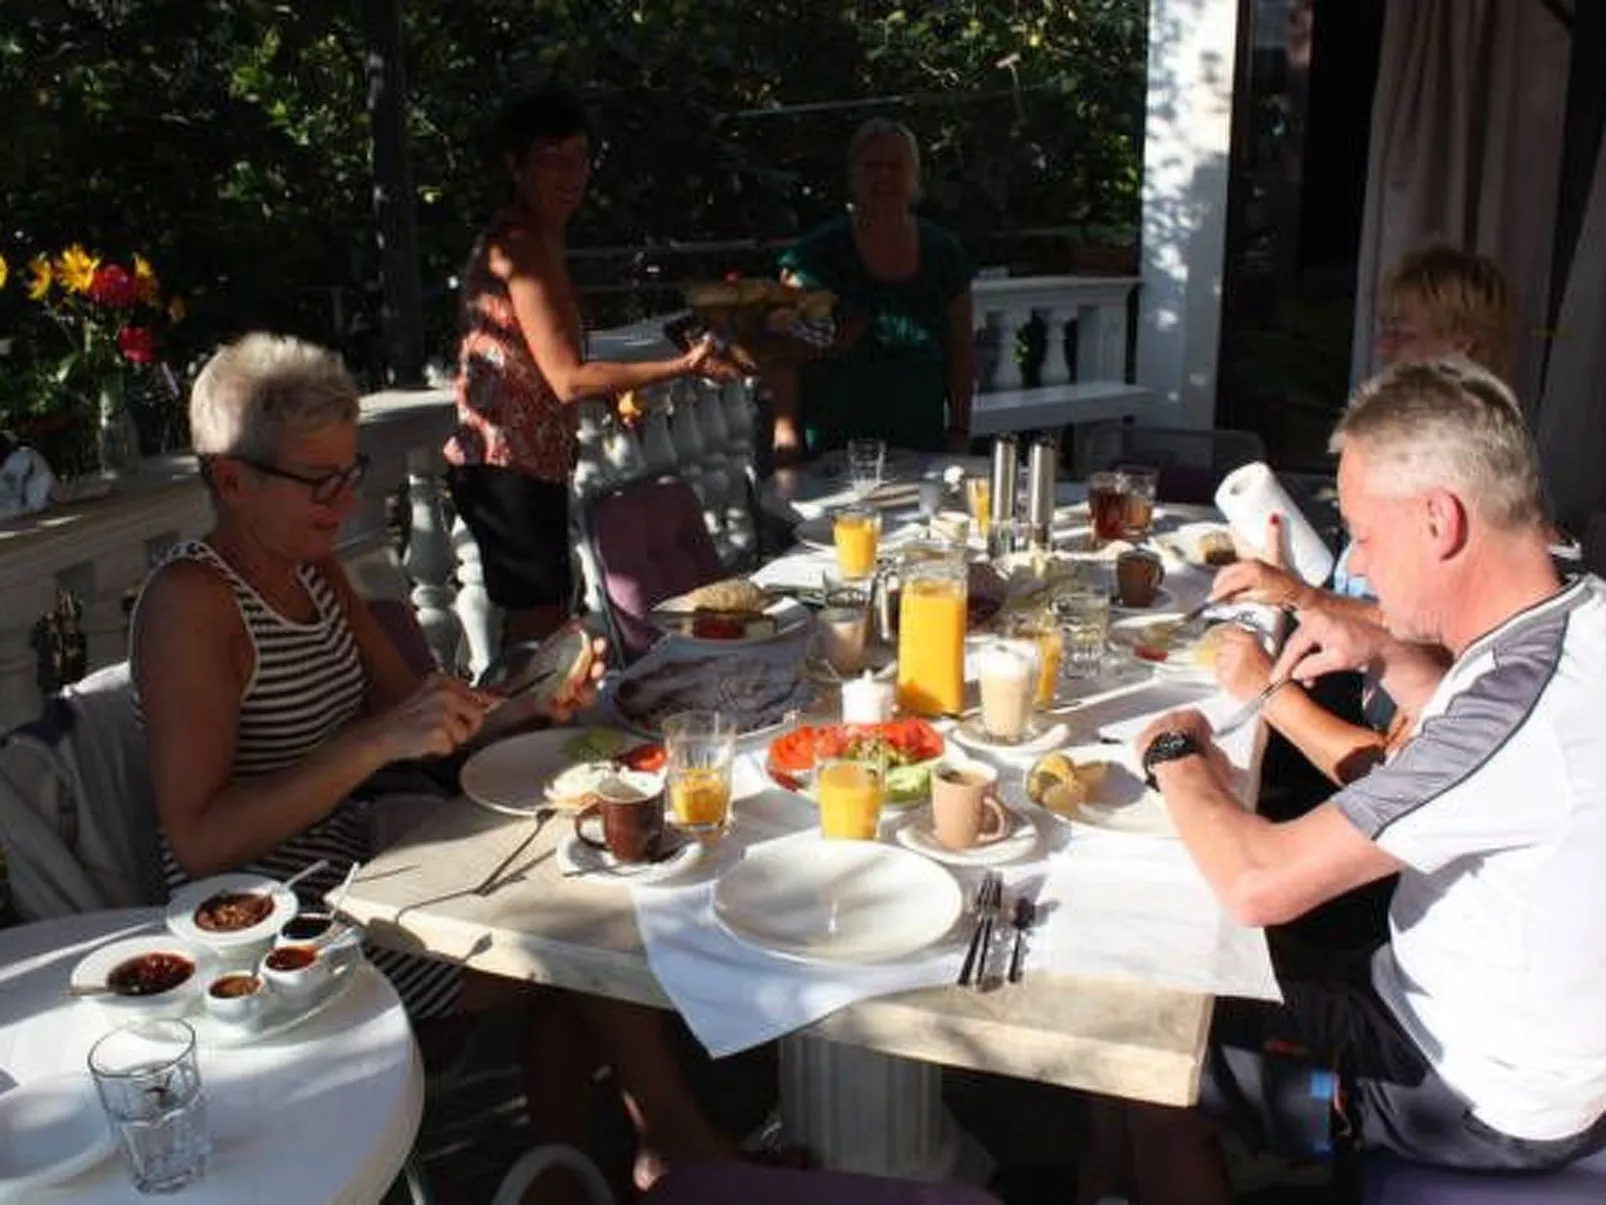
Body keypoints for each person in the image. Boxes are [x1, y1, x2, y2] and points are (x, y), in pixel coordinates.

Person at [133, 333, 762, 1200]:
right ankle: (671, 1156)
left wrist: (529, 702)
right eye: (321, 482)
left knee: (590, 897)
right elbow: (199, 841)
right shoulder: (190, 603)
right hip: (270, 931)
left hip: (363, 868)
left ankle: (605, 1166)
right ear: (232, 478)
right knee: (572, 937)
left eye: (349, 472)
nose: (346, 499)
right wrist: (371, 744)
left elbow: (433, 714)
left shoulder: (312, 570)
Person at [1080, 359, 1606, 1204]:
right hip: (1475, 1014)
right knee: (1204, 962)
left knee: (1140, 1037)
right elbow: (1483, 758)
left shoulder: (1519, 707)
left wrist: (1173, 755)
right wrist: (1392, 654)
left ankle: (1145, 1165)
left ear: (1439, 519)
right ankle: (1109, 1182)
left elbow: (1258, 884)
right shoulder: (1572, 616)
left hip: (1465, 1091)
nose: (1356, 557)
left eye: (1362, 530)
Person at [1206, 245, 1519, 780]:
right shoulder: (1436, 454)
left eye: (1402, 332)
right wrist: (1292, 586)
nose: (1381, 345)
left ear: (1461, 342)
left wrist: (1295, 607)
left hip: (1366, 737)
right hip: (1360, 702)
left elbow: (1394, 769)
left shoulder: (1467, 477)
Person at [446, 87, 730, 645]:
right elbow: (568, 376)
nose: (572, 173)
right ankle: (518, 731)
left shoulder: (533, 239)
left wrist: (612, 392)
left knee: (540, 630)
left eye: (580, 157)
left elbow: (540, 363)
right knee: (542, 640)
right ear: (515, 164)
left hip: (520, 465)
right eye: (553, 157)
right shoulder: (520, 245)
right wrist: (684, 367)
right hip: (507, 468)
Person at [769, 119, 975, 462]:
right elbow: (782, 352)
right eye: (872, 166)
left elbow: (961, 352)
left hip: (921, 438)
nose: (883, 176)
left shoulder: (944, 252)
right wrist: (786, 433)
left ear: (914, 176)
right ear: (853, 175)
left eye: (895, 166)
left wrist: (959, 431)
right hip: (834, 439)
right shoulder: (818, 252)